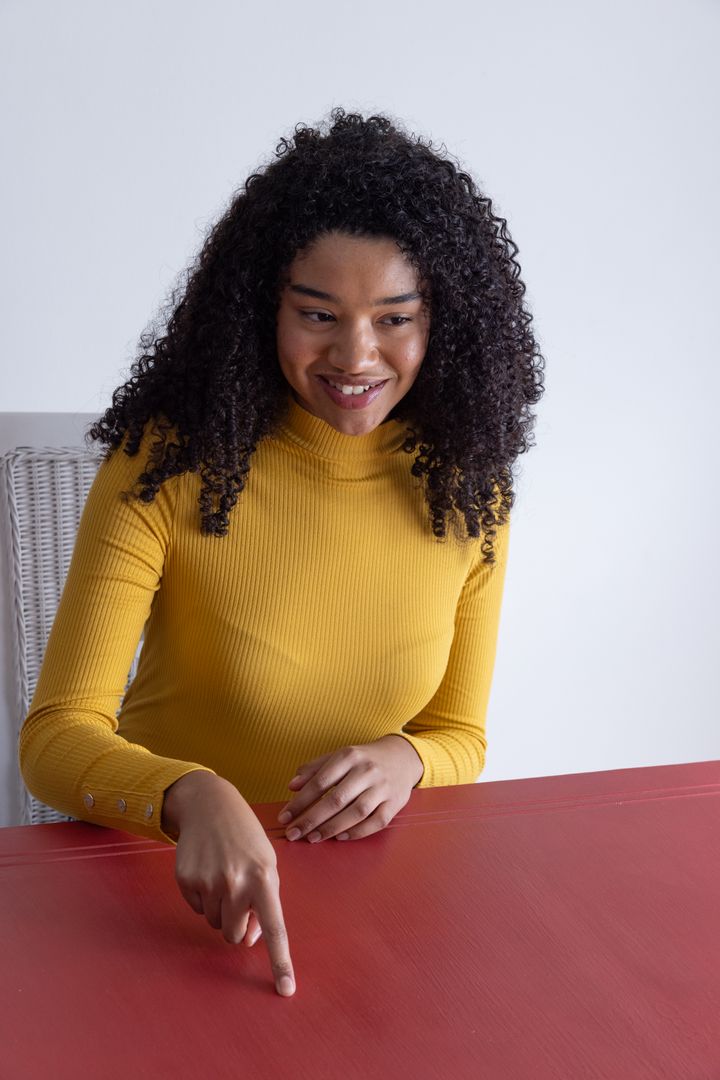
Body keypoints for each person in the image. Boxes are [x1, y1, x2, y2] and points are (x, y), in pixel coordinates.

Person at [18, 107, 545, 999]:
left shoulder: (469, 487)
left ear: (441, 323)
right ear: (262, 306)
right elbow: (54, 738)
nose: (355, 355)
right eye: (317, 314)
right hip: (163, 889)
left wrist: (406, 761)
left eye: (394, 318)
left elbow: (459, 736)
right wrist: (188, 796)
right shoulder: (170, 463)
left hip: (368, 901)